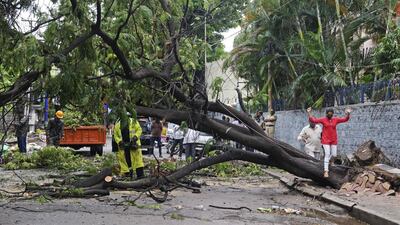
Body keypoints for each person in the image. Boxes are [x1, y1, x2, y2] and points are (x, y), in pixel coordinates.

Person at [307, 107, 351, 178]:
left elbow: (345, 119)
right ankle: (326, 171)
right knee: (327, 154)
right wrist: (309, 113)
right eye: (328, 114)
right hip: (325, 140)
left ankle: (330, 161)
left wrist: (348, 114)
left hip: (333, 140)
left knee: (334, 155)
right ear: (326, 114)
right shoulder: (323, 119)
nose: (330, 115)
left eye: (331, 114)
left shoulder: (335, 120)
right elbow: (313, 120)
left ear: (333, 114)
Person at [114, 110, 144, 179]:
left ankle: (140, 176)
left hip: (133, 145)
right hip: (124, 146)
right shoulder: (118, 124)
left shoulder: (133, 122)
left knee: (137, 161)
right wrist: (119, 141)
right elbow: (115, 135)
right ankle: (127, 176)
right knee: (125, 161)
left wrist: (135, 137)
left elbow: (139, 129)